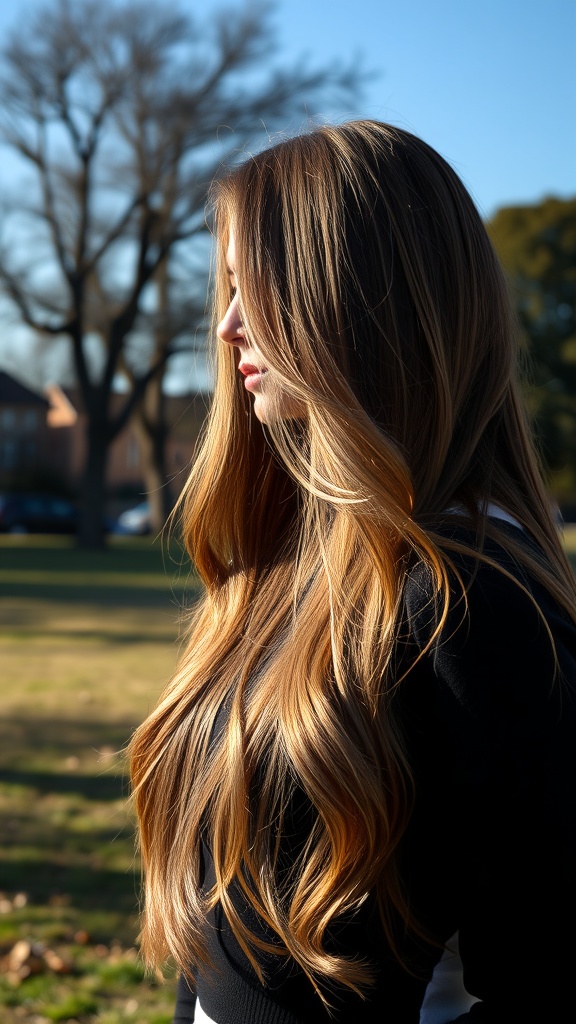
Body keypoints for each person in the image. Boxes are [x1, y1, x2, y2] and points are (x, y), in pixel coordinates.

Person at [129, 120, 576, 1023]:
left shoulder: (476, 610)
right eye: (225, 288)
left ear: (360, 299)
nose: (226, 326)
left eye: (255, 287)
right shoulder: (276, 571)